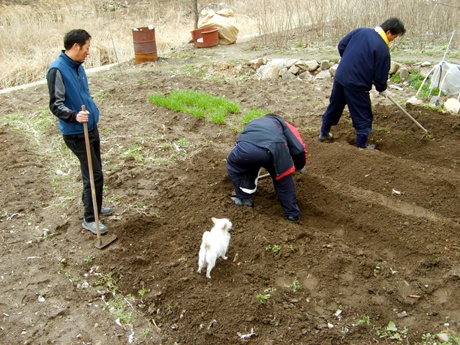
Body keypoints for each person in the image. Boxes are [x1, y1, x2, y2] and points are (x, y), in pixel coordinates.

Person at [46, 29, 113, 235]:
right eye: (87, 47)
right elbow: (55, 105)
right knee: (94, 175)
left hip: (90, 127)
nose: (88, 51)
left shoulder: (78, 67)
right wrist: (74, 115)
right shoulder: (57, 70)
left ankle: (96, 204)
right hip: (76, 132)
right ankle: (90, 218)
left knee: (95, 170)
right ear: (75, 46)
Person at [319, 17, 406, 149]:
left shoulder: (361, 31)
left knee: (335, 105)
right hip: (357, 84)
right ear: (388, 32)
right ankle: (362, 146)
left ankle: (324, 133)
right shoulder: (382, 49)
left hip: (341, 76)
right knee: (362, 114)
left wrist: (350, 61)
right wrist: (382, 88)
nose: (394, 39)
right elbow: (380, 74)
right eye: (395, 36)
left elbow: (341, 45)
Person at [227, 114, 308, 223]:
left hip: (247, 149)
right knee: (282, 179)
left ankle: (244, 198)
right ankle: (292, 215)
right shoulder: (283, 123)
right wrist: (299, 165)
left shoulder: (254, 121)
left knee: (237, 164)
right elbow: (298, 149)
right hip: (275, 149)